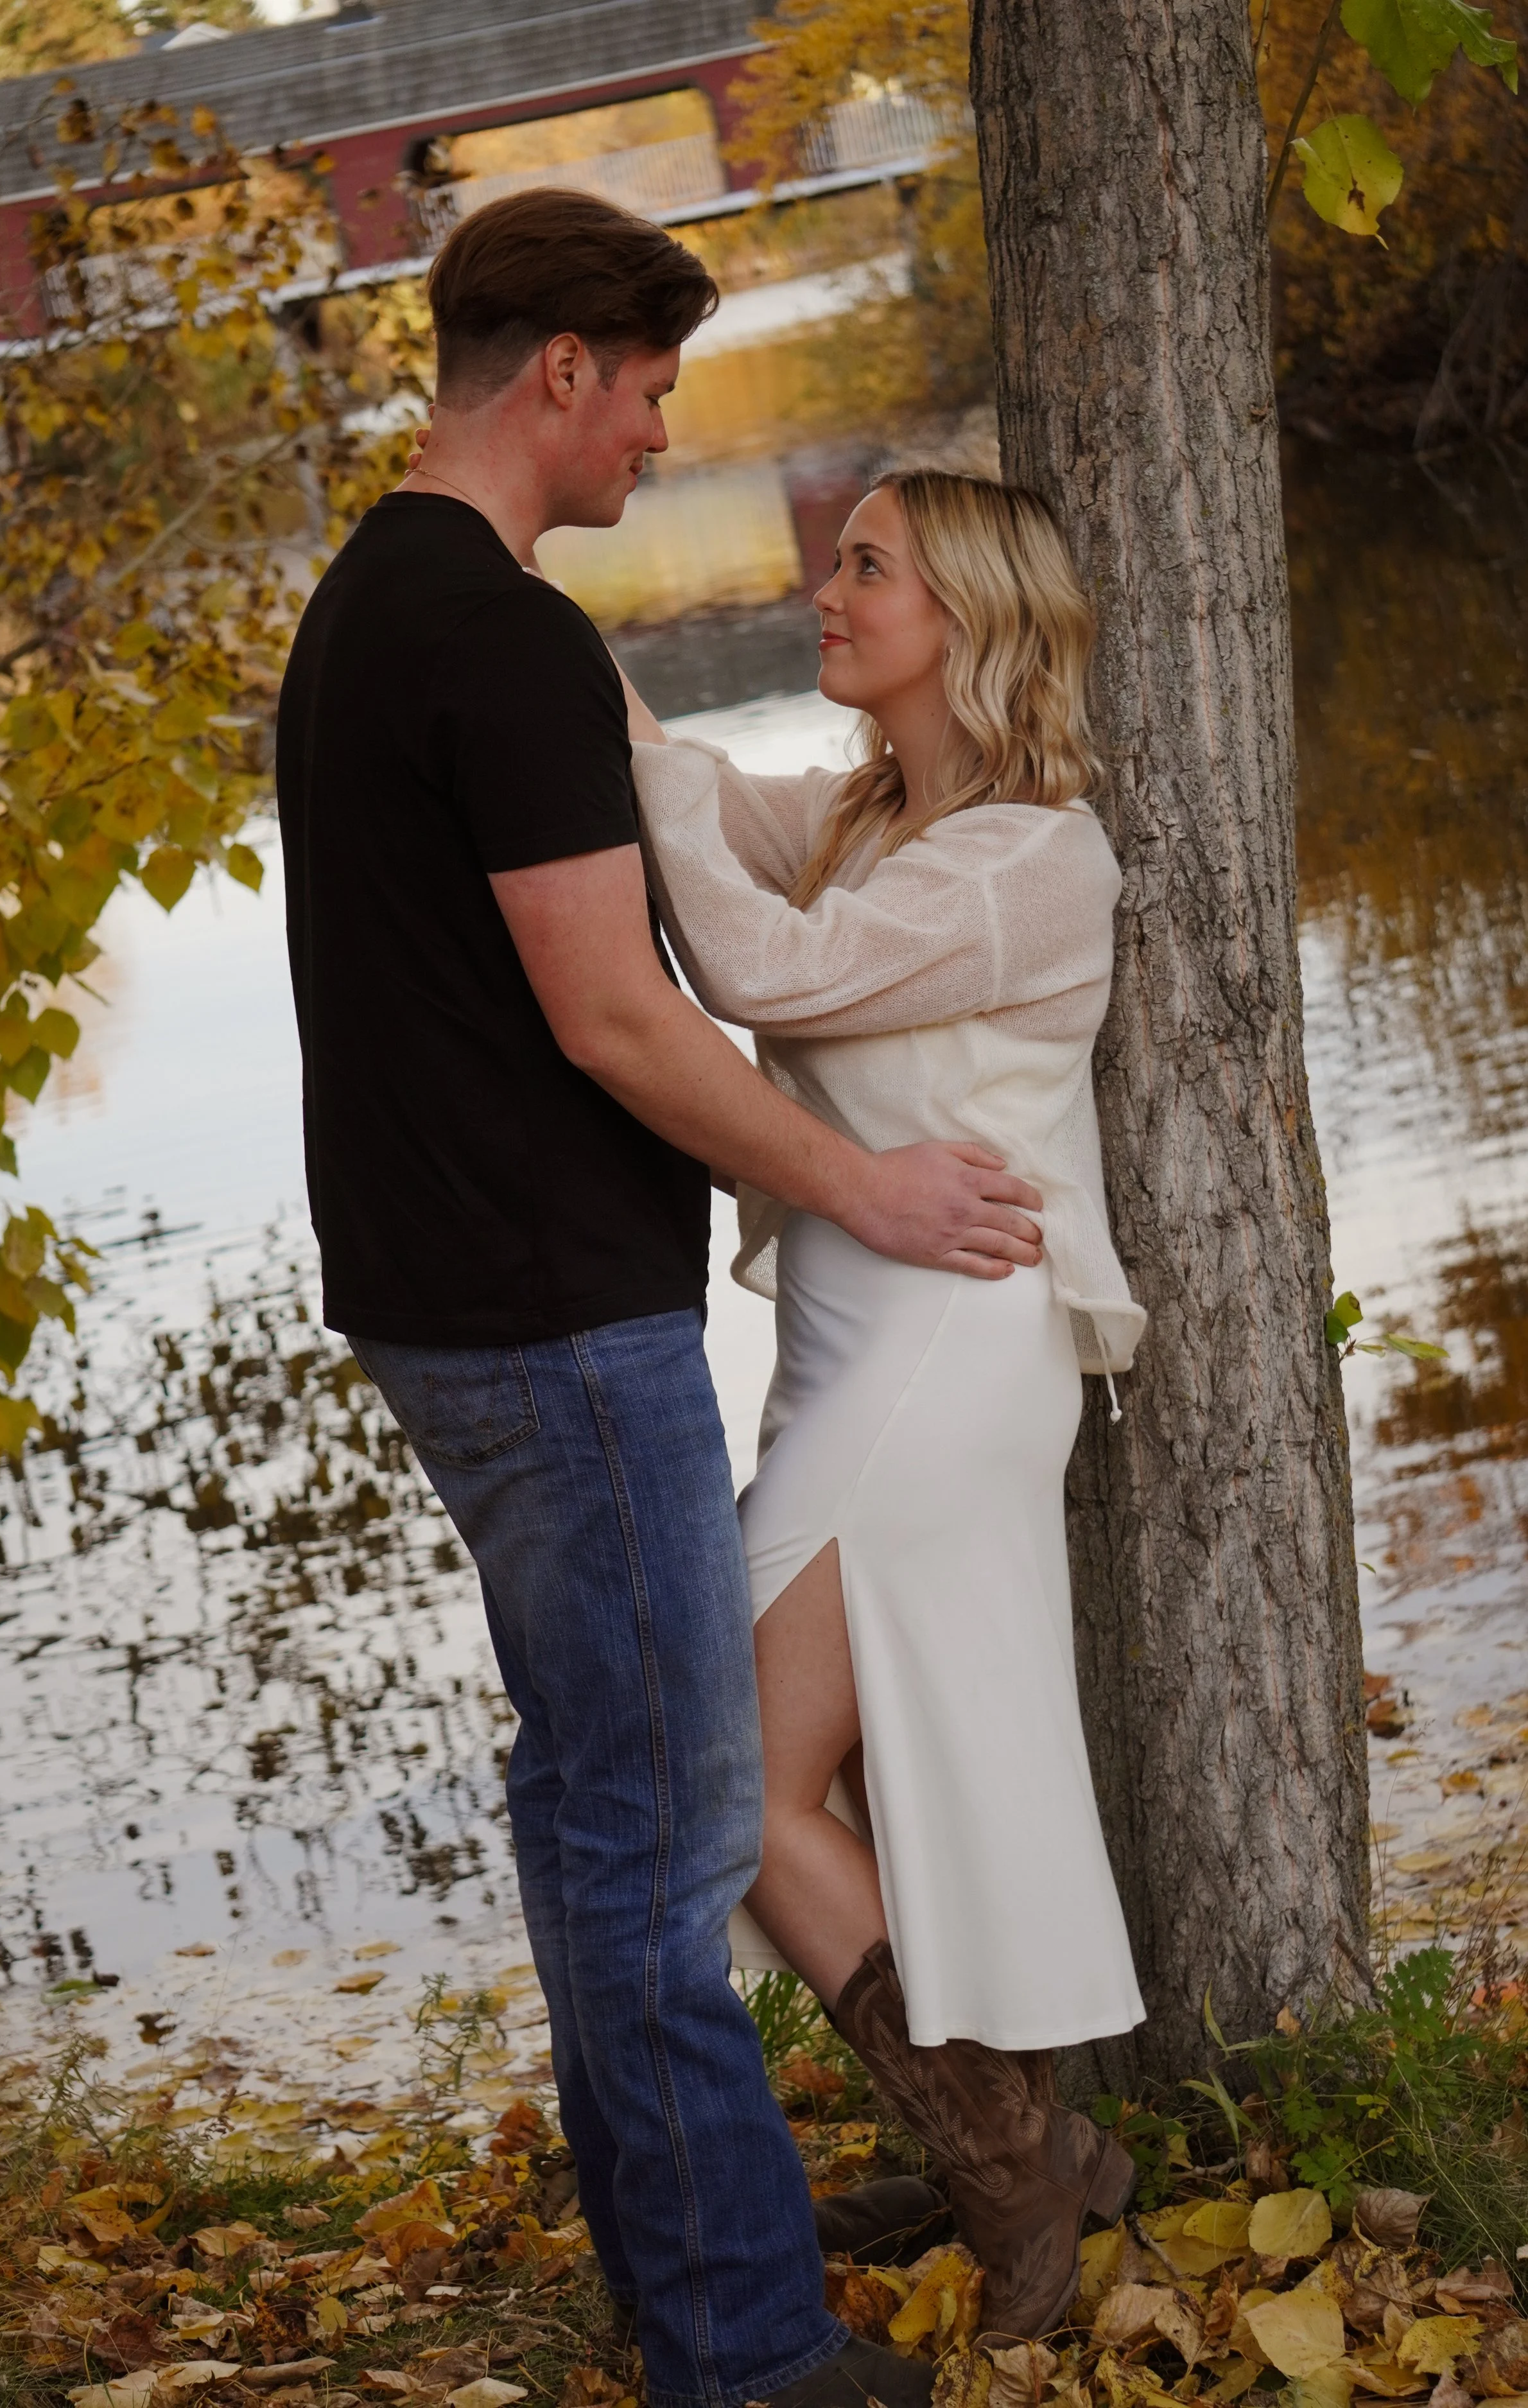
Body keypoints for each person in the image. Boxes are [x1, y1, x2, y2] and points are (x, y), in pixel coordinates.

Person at [275, 190, 1051, 2408]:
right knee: (667, 1832)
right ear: (558, 373)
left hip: (443, 1298)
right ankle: (747, 2352)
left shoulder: (368, 603)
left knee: (590, 1807)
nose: (659, 433)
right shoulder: (497, 637)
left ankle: (673, 2271)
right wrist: (864, 1182)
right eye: (646, 390)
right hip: (544, 1317)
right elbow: (616, 1015)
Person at [621, 467, 1148, 2342]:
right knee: (872, 1773)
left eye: (866, 568)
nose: (822, 590)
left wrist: (650, 775)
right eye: (832, 560)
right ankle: (1017, 2133)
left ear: (969, 617)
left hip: (945, 1356)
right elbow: (693, 796)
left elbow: (751, 958)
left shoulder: (1028, 861)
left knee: (729, 1775)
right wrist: (546, 642)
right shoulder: (867, 817)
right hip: (853, 1362)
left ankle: (1014, 2165)